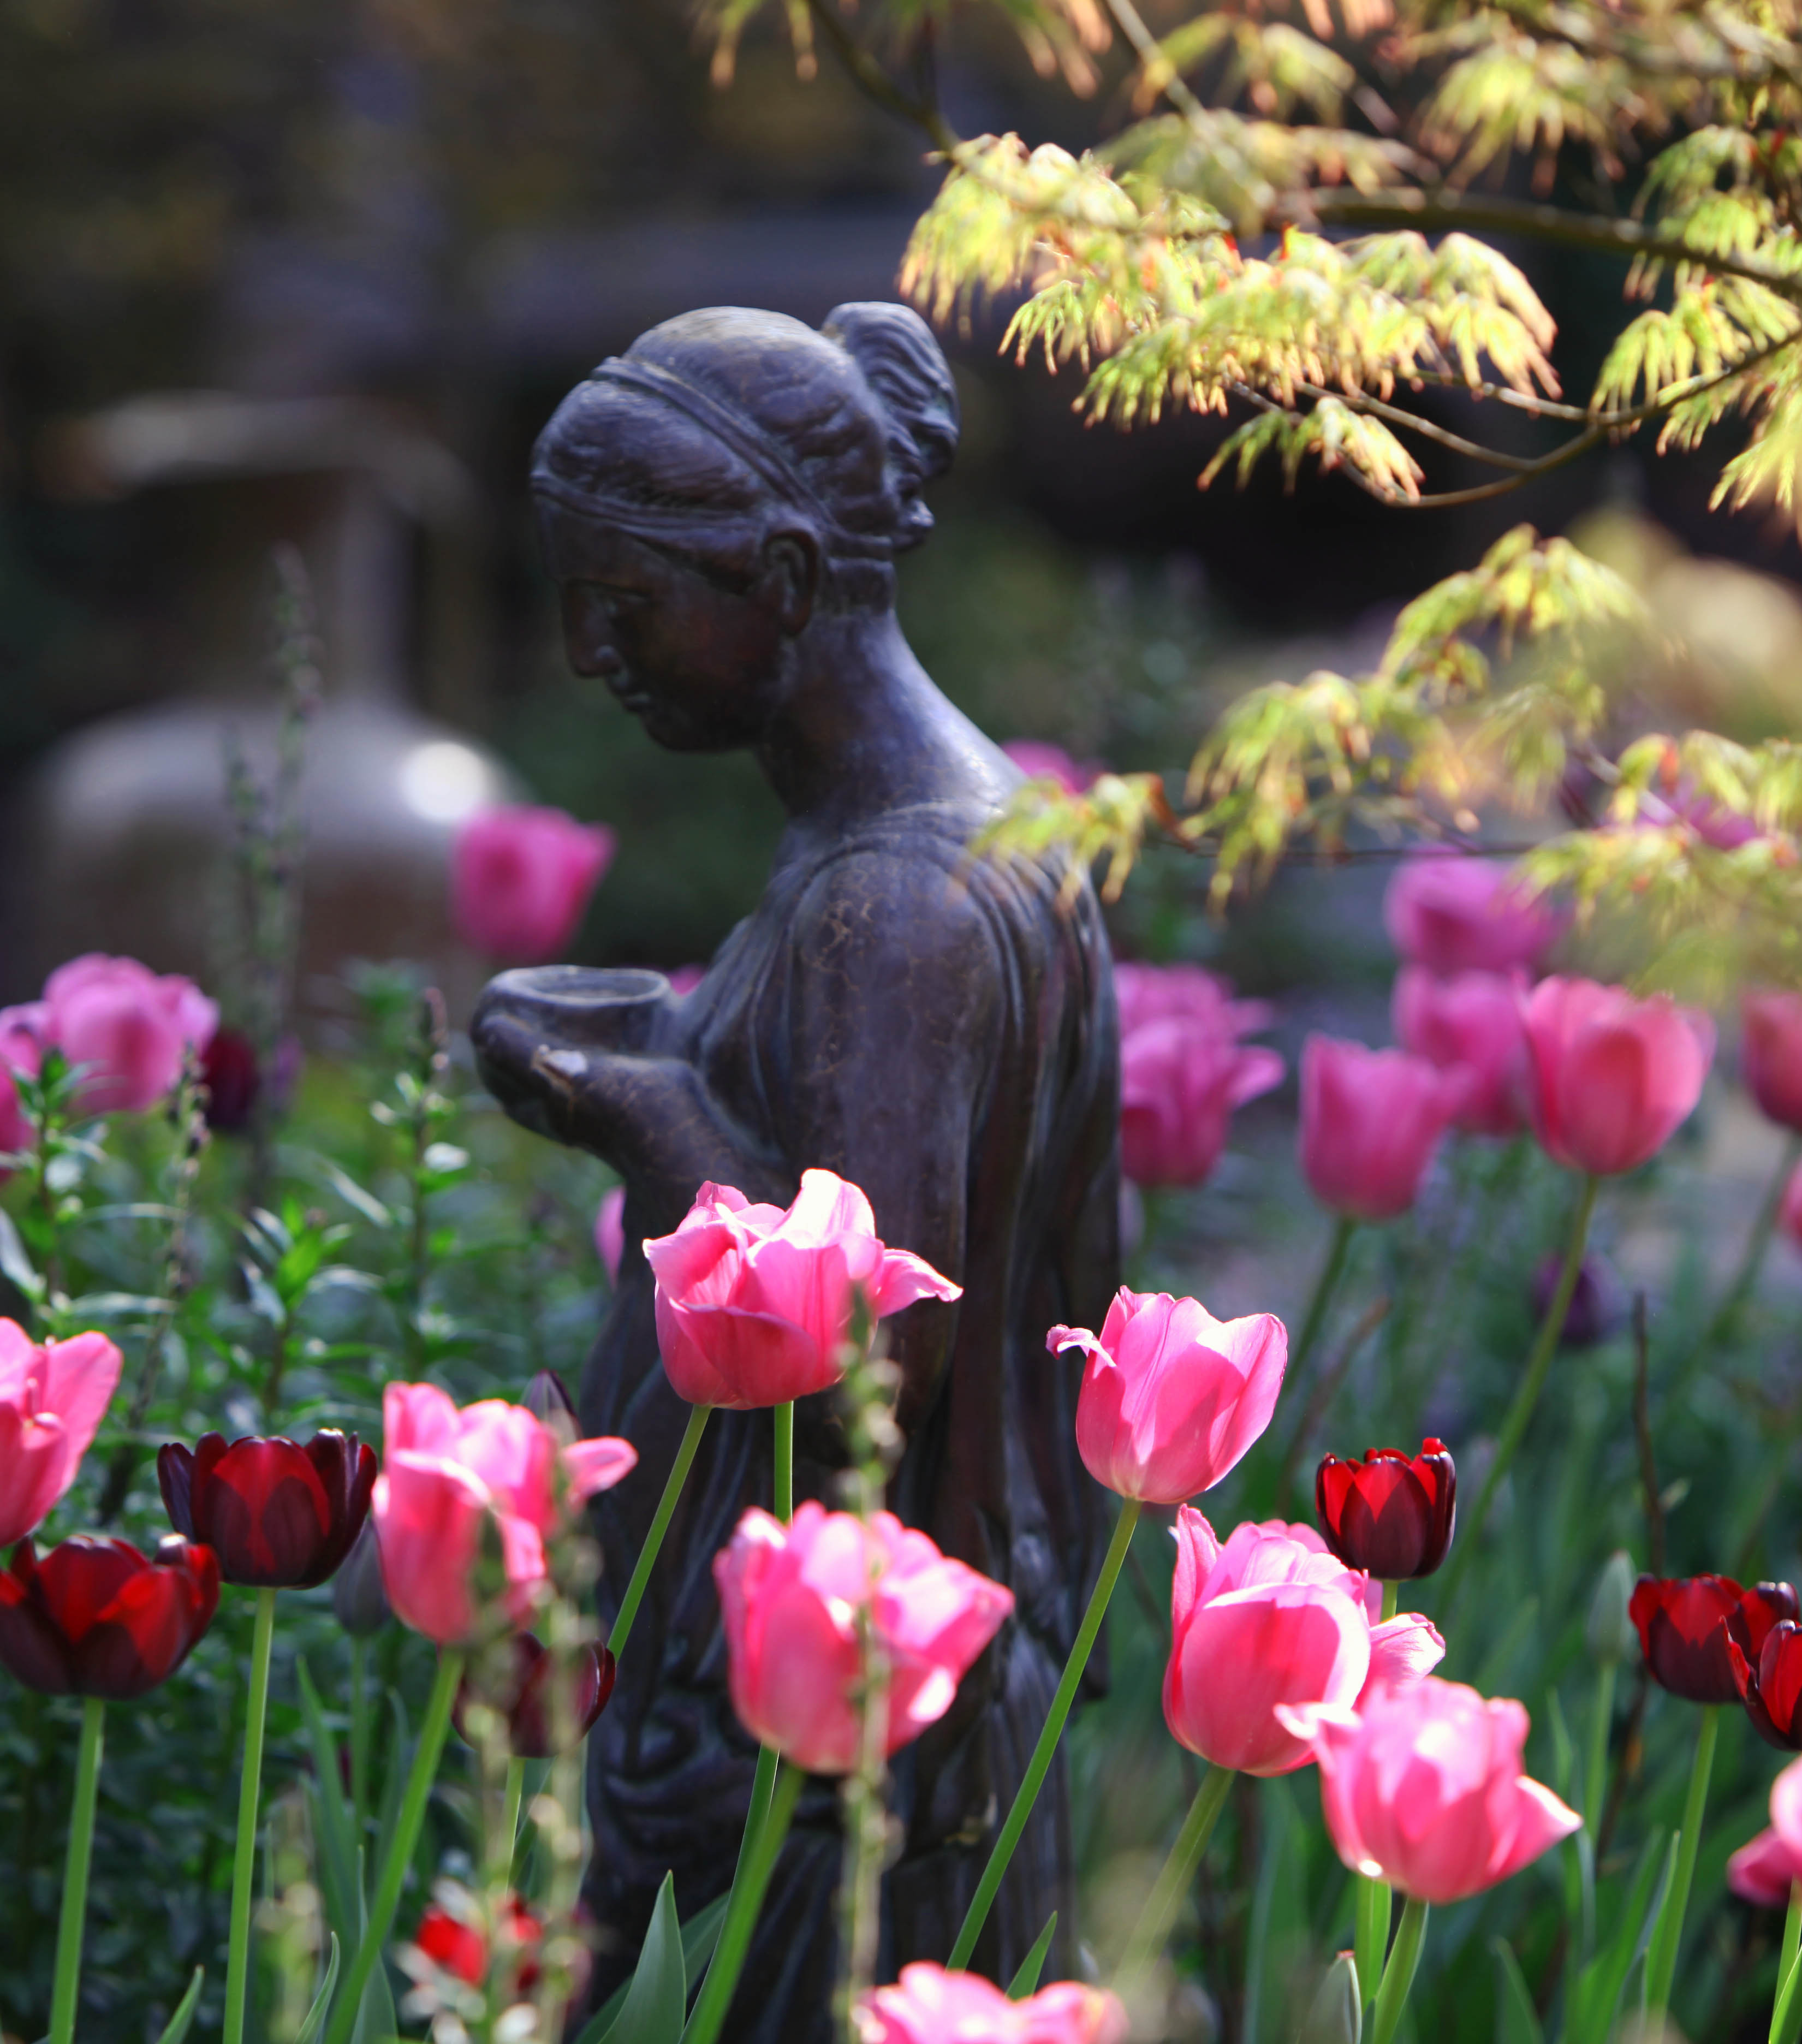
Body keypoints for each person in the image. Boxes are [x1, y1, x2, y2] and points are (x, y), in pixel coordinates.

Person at [470, 301, 1122, 2039]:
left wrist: (634, 1112)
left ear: (774, 571)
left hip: (832, 1723)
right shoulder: (997, 830)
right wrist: (684, 1051)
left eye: (624, 604)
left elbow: (867, 1350)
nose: (588, 650)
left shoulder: (888, 905)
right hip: (943, 1672)